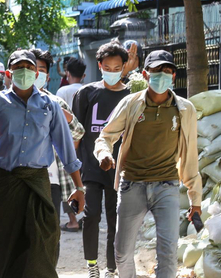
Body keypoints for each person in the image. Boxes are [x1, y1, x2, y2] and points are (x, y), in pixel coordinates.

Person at [0, 48, 85, 278]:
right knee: (8, 244)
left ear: (36, 73)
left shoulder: (49, 105)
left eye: (29, 68)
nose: (25, 72)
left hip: (38, 181)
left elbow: (66, 149)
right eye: (19, 68)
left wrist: (79, 188)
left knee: (43, 240)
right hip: (7, 182)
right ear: (9, 74)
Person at [94, 50, 202, 278]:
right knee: (122, 253)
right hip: (132, 185)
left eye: (167, 71)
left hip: (167, 187)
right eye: (156, 71)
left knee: (168, 253)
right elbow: (105, 136)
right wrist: (104, 154)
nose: (162, 76)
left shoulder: (185, 109)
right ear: (145, 74)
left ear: (173, 75)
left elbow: (191, 155)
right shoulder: (131, 103)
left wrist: (195, 200)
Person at [71, 41, 131, 278]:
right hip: (91, 168)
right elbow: (76, 133)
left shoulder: (131, 95)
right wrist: (75, 170)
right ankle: (92, 265)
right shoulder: (86, 93)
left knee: (115, 218)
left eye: (118, 68)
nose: (113, 71)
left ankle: (111, 267)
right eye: (108, 67)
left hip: (120, 169)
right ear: (100, 65)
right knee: (92, 214)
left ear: (124, 67)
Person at [29, 49, 86, 235]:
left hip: (51, 179)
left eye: (42, 70)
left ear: (47, 76)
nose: (37, 74)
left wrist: (63, 115)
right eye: (33, 68)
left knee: (50, 233)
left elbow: (78, 132)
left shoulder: (56, 101)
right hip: (21, 177)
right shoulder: (11, 102)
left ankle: (49, 265)